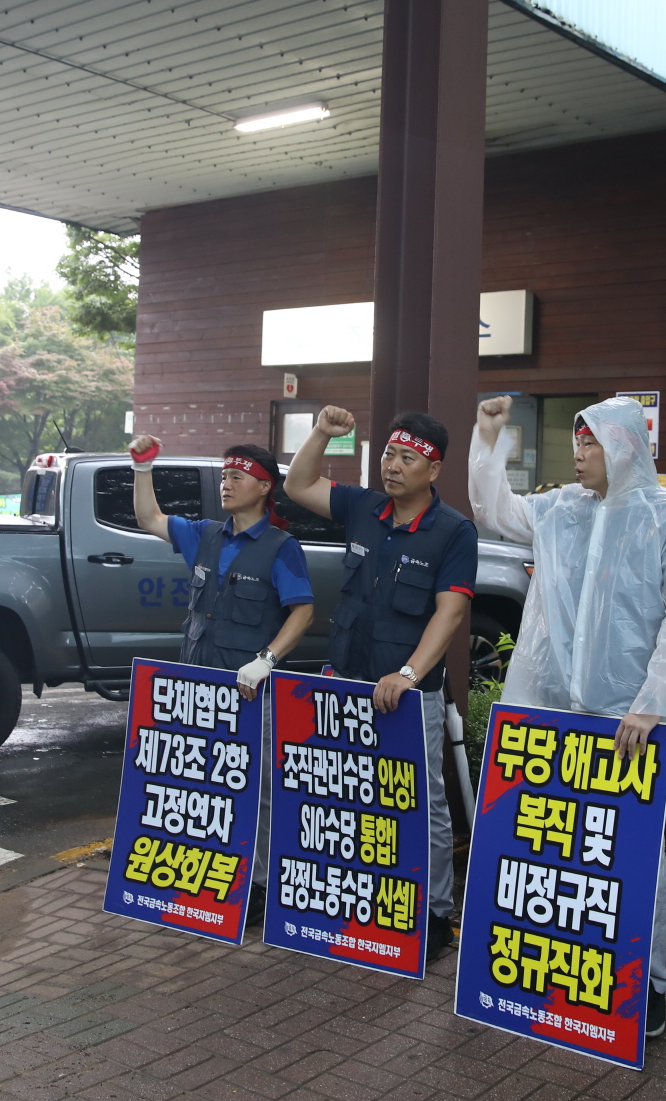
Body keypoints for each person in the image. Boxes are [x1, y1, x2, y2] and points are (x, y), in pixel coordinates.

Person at [467, 395, 666, 1039]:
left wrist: (651, 704)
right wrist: (488, 438)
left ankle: (644, 985)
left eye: (590, 443)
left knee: (632, 850)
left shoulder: (664, 516)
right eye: (576, 443)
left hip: (627, 721)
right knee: (556, 845)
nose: (578, 454)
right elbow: (494, 510)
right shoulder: (561, 509)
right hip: (553, 712)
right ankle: (560, 968)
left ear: (623, 447)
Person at [284, 405, 477, 961]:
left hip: (407, 695)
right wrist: (321, 433)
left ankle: (434, 913)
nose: (392, 466)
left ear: (433, 469)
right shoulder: (363, 507)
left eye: (407, 458)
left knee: (422, 800)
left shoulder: (453, 531)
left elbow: (450, 612)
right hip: (346, 683)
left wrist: (410, 674)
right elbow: (298, 485)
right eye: (389, 454)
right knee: (347, 793)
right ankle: (359, 897)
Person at [129, 435, 318, 922]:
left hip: (249, 690)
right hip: (198, 686)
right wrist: (143, 468)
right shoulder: (204, 535)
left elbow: (302, 611)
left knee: (257, 790)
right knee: (201, 784)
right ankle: (209, 876)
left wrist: (267, 659)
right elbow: (149, 518)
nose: (226, 484)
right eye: (224, 476)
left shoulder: (281, 547)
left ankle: (259, 885)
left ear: (265, 487)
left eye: (237, 477)